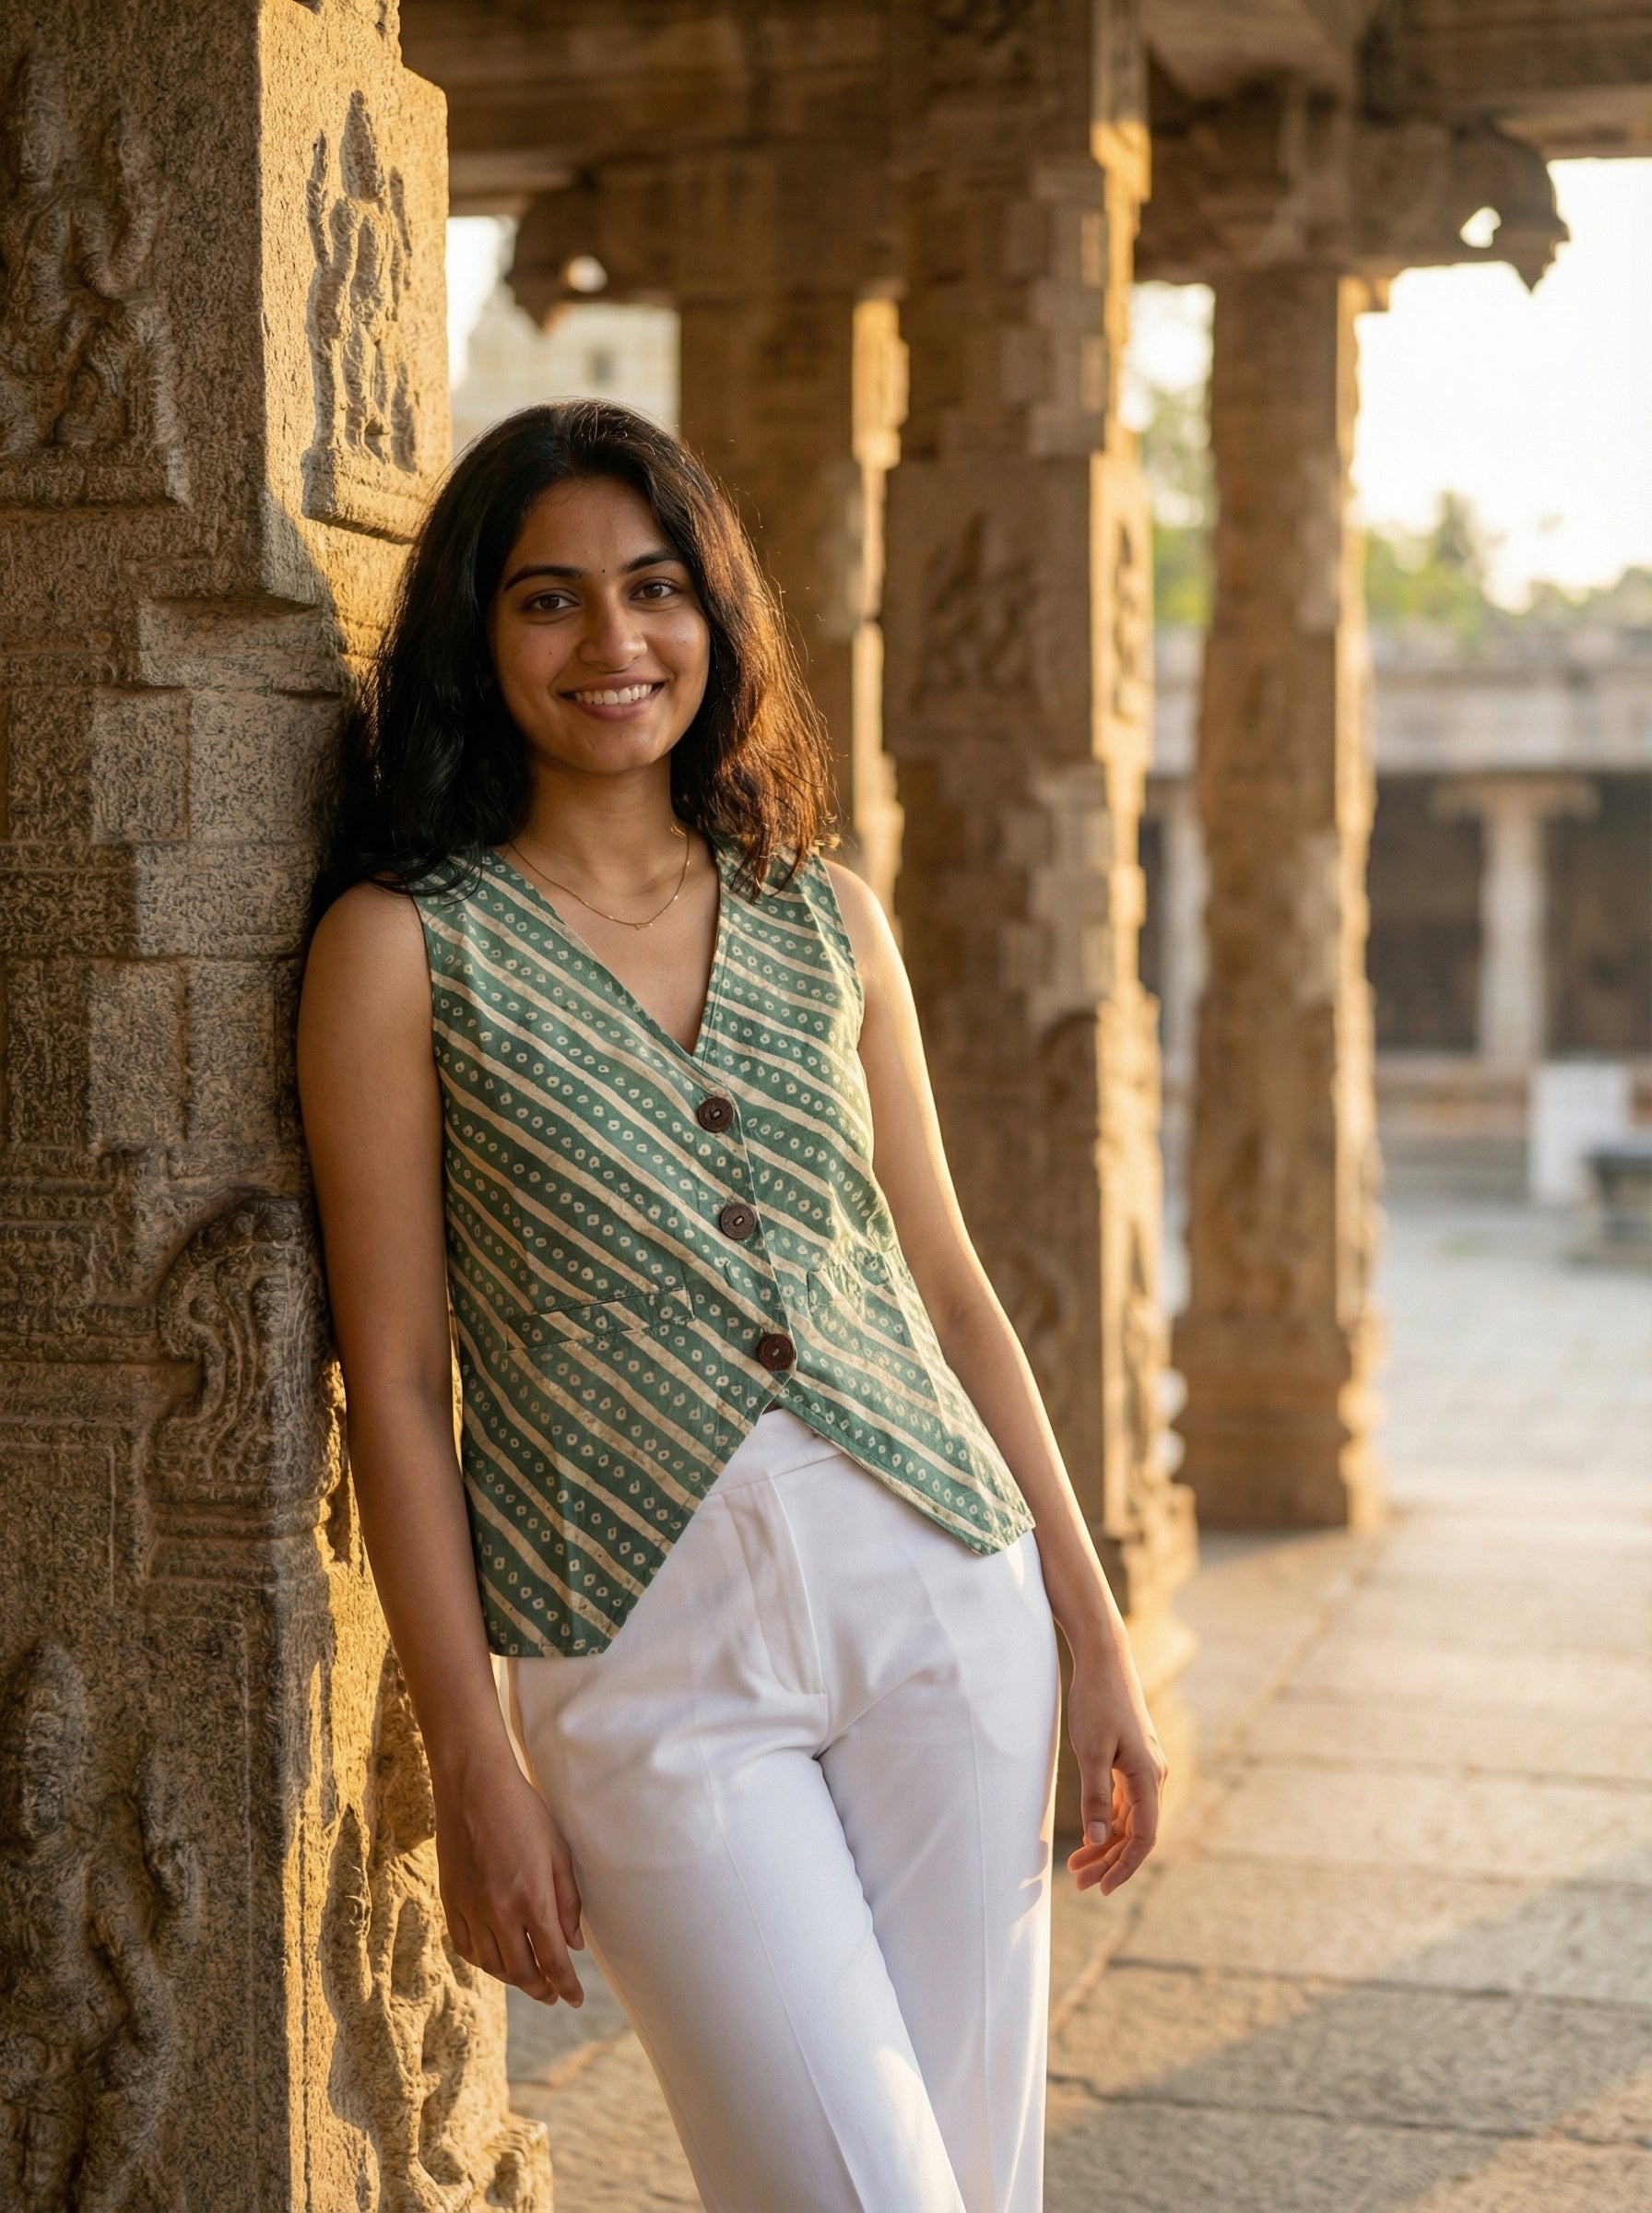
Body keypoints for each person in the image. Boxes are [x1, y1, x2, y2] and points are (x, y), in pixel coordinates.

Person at [297, 400, 1167, 2213]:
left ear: (716, 617)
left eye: (653, 588)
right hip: (638, 1655)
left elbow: (939, 1277)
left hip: (946, 1606)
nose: (612, 644)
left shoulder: (824, 917)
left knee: (972, 2191)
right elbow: (389, 1378)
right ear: (476, 635)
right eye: (547, 600)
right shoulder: (402, 942)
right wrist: (474, 1756)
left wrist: (1092, 1635)